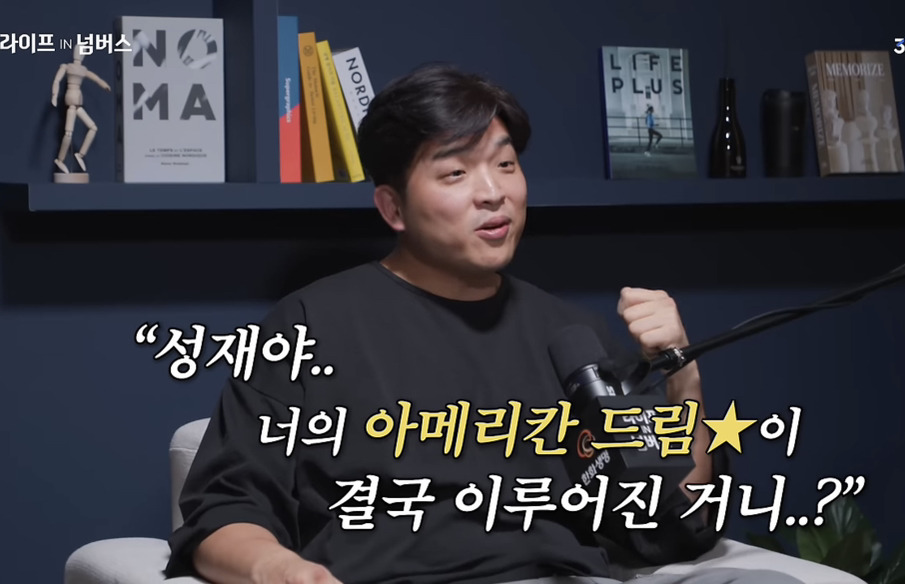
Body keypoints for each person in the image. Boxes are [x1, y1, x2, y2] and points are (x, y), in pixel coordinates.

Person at [165, 63, 864, 584]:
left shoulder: (571, 338)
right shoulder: (310, 325)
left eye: (505, 164)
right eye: (455, 173)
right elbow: (223, 510)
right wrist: (279, 569)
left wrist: (684, 373)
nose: (493, 192)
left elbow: (674, 525)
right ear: (393, 208)